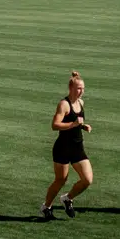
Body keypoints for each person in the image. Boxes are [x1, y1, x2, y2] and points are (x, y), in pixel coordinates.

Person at [41, 70, 92, 219]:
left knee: (87, 180)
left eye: (82, 88)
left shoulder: (81, 103)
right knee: (60, 180)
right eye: (78, 88)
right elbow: (55, 125)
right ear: (70, 88)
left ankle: (67, 198)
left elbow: (77, 122)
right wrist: (74, 124)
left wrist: (83, 126)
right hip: (62, 148)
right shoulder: (64, 104)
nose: (81, 91)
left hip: (77, 147)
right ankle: (46, 207)